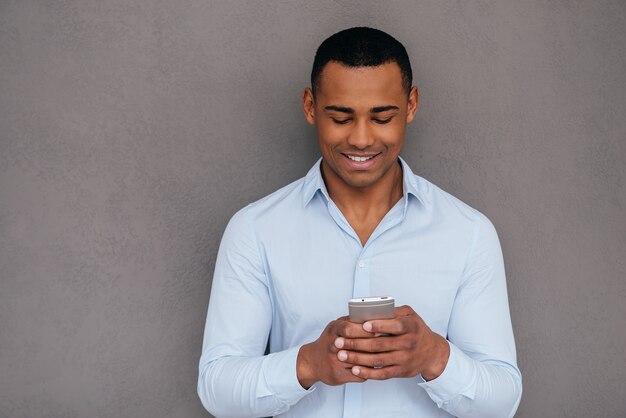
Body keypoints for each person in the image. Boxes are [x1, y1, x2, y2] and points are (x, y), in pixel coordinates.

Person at [198, 27, 522, 418]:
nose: (363, 139)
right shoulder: (254, 230)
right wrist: (308, 364)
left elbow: (502, 402)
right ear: (310, 107)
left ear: (412, 104)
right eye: (340, 117)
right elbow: (217, 389)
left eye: (383, 116)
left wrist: (434, 356)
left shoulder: (469, 233)